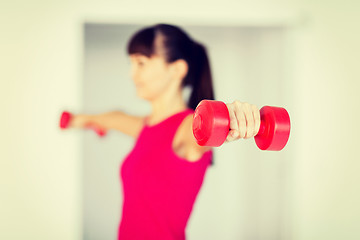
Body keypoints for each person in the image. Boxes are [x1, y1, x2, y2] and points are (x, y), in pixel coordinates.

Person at [68, 23, 260, 240]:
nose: (132, 74)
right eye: (131, 64)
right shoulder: (146, 126)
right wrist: (79, 120)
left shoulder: (188, 127)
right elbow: (114, 118)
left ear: (176, 69)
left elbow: (208, 129)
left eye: (141, 63)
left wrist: (233, 115)